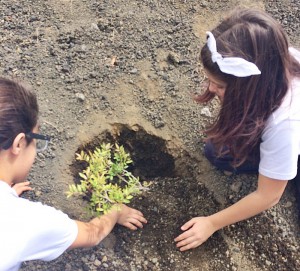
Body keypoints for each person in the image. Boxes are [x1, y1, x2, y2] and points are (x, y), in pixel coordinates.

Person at [174, 8, 300, 251]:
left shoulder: (284, 124)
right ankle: (282, 168)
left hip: (292, 137)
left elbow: (268, 196)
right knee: (216, 152)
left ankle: (287, 171)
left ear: (250, 89)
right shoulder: (276, 61)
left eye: (219, 85)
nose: (210, 89)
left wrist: (211, 223)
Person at [0, 78, 147, 271]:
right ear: (19, 144)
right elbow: (92, 234)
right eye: (36, 140)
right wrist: (115, 210)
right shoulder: (24, 221)